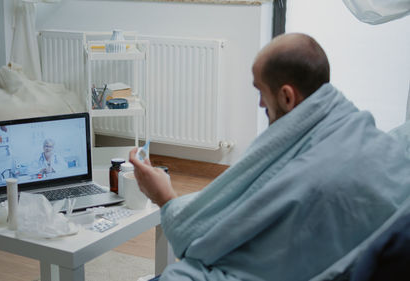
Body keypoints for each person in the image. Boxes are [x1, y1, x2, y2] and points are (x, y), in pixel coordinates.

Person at [129, 33, 410, 281]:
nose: (261, 103)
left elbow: (198, 239)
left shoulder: (307, 177)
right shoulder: (360, 131)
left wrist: (164, 197)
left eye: (260, 91)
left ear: (287, 96)